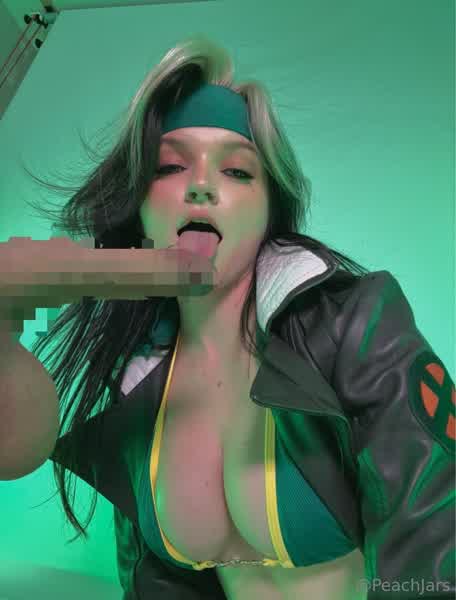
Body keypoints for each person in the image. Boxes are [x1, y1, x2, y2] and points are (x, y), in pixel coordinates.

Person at [6, 35, 456, 599]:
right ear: (140, 205)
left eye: (238, 172)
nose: (200, 186)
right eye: (171, 166)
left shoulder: (353, 325)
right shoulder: (135, 384)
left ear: (270, 210)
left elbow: (436, 524)